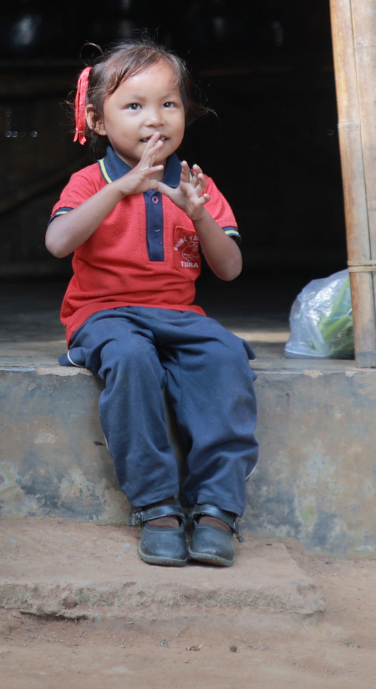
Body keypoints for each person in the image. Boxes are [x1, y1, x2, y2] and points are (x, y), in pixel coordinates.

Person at [44, 40, 256, 568]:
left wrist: (199, 214)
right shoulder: (91, 181)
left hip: (181, 317)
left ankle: (216, 509)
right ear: (96, 119)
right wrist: (121, 190)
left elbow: (229, 268)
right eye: (133, 106)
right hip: (104, 315)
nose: (154, 119)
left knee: (227, 357)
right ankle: (157, 506)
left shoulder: (195, 186)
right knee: (132, 360)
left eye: (169, 104)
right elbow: (57, 242)